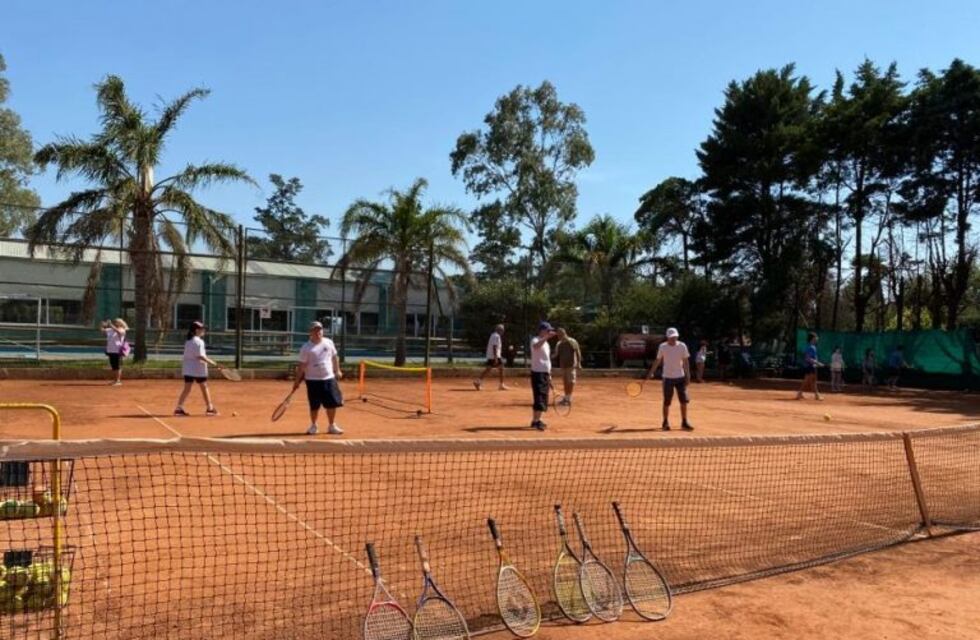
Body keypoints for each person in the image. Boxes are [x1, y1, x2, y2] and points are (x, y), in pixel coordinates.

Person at [292, 321, 344, 435]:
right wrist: (297, 382)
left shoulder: (329, 342)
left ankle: (332, 425)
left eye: (319, 329)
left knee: (331, 404)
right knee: (314, 405)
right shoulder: (306, 348)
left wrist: (337, 370)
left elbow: (335, 357)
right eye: (315, 330)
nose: (318, 332)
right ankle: (314, 426)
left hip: (329, 379)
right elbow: (301, 366)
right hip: (312, 381)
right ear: (310, 332)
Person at [647, 327, 693, 431]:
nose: (674, 339)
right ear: (667, 337)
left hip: (680, 377)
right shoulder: (662, 347)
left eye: (675, 337)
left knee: (684, 401)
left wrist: (688, 375)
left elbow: (685, 361)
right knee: (667, 401)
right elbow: (658, 360)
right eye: (672, 337)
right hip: (667, 378)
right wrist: (651, 372)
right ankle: (665, 422)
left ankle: (684, 422)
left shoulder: (682, 346)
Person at [174, 321, 223, 416]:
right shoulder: (198, 341)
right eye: (202, 329)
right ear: (197, 330)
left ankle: (179, 408)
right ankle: (210, 408)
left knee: (187, 388)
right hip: (197, 369)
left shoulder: (189, 341)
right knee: (204, 387)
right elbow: (200, 356)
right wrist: (214, 363)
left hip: (188, 369)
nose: (204, 330)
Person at [529, 321, 556, 431]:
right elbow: (535, 346)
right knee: (539, 397)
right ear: (542, 330)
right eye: (547, 330)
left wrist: (549, 376)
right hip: (537, 373)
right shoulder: (535, 340)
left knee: (543, 397)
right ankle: (536, 421)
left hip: (544, 373)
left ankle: (536, 420)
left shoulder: (547, 344)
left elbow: (547, 360)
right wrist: (546, 337)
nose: (549, 332)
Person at [474, 324, 508, 390]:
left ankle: (477, 382)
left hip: (491, 356)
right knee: (501, 368)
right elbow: (494, 347)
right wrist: (495, 358)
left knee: (488, 369)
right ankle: (501, 385)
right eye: (502, 330)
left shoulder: (493, 335)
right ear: (499, 330)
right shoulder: (496, 336)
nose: (503, 332)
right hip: (494, 356)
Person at [555, 327, 582, 406]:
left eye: (561, 334)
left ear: (564, 333)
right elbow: (556, 354)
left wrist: (579, 363)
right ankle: (566, 398)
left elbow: (578, 351)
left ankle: (568, 398)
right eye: (558, 335)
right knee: (565, 382)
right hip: (563, 366)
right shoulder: (559, 343)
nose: (559, 336)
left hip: (571, 365)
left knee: (571, 382)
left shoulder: (572, 341)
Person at [100, 318, 128, 386]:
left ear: (121, 323)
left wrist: (111, 325)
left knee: (117, 366)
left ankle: (118, 381)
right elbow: (103, 331)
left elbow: (118, 332)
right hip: (110, 350)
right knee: (113, 366)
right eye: (115, 322)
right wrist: (102, 325)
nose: (115, 323)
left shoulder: (122, 330)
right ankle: (115, 380)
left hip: (117, 350)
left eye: (117, 322)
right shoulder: (110, 330)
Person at [796, 332, 823, 401]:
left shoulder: (811, 346)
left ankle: (800, 393)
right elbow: (807, 358)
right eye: (815, 337)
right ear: (812, 339)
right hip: (810, 366)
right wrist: (817, 363)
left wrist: (816, 363)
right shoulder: (811, 347)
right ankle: (816, 396)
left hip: (810, 366)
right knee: (811, 381)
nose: (817, 339)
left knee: (810, 381)